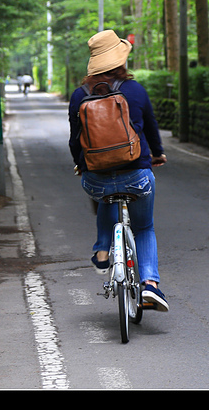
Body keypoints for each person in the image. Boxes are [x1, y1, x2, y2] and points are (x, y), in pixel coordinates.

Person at [68, 29, 169, 312]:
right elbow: (150, 127)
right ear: (120, 60)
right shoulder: (134, 90)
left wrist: (82, 165)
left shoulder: (80, 95)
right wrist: (157, 154)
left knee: (104, 195)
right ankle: (151, 285)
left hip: (95, 178)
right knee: (144, 227)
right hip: (137, 174)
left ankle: (102, 249)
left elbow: (75, 139)